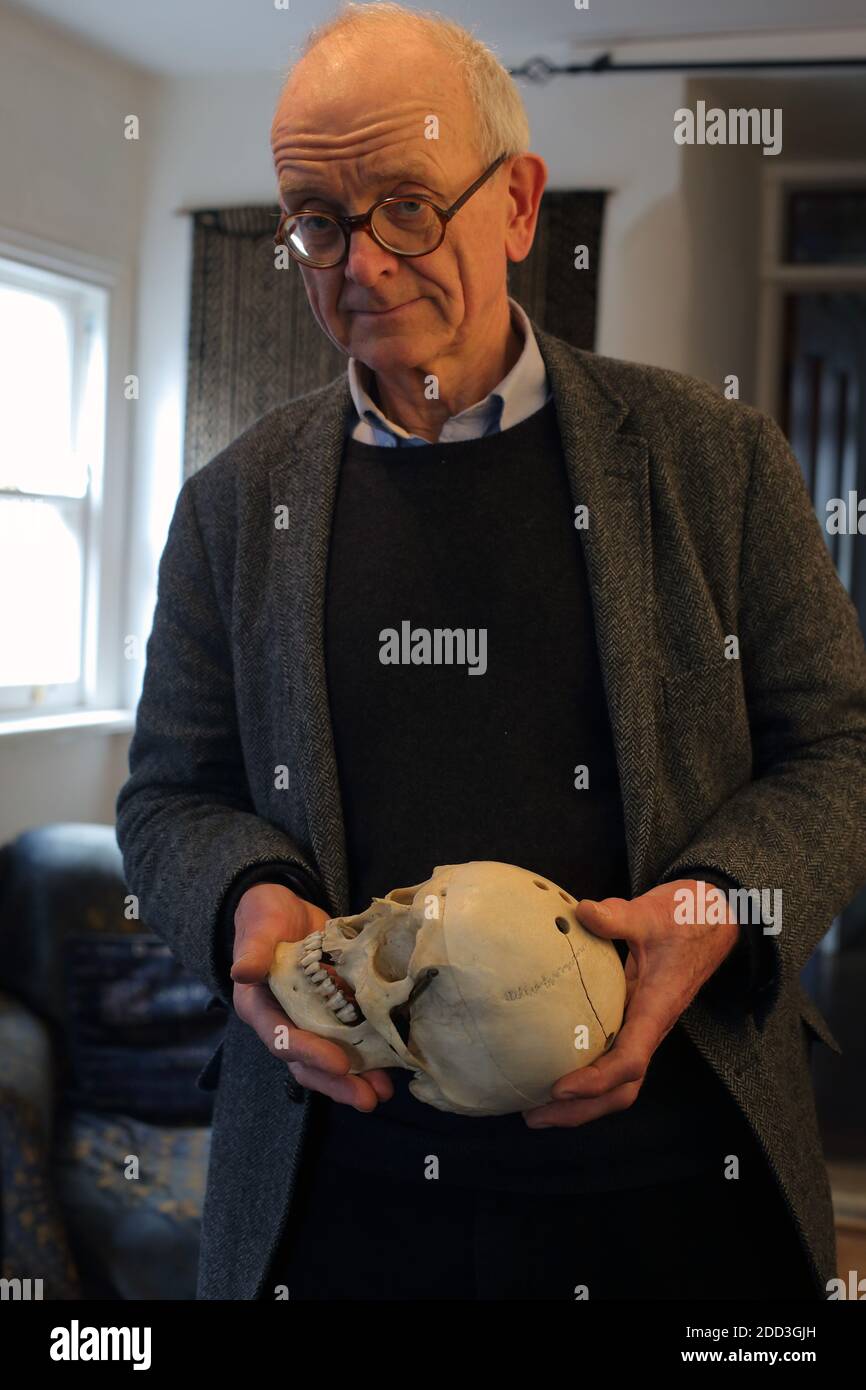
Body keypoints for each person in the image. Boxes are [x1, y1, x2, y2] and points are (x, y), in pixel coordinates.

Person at [116, 2, 866, 1301]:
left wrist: (714, 905)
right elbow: (169, 791)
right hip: (334, 1188)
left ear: (516, 205)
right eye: (315, 219)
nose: (361, 262)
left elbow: (839, 748)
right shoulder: (233, 504)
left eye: (407, 205)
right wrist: (248, 895)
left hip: (676, 1182)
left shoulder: (710, 459)